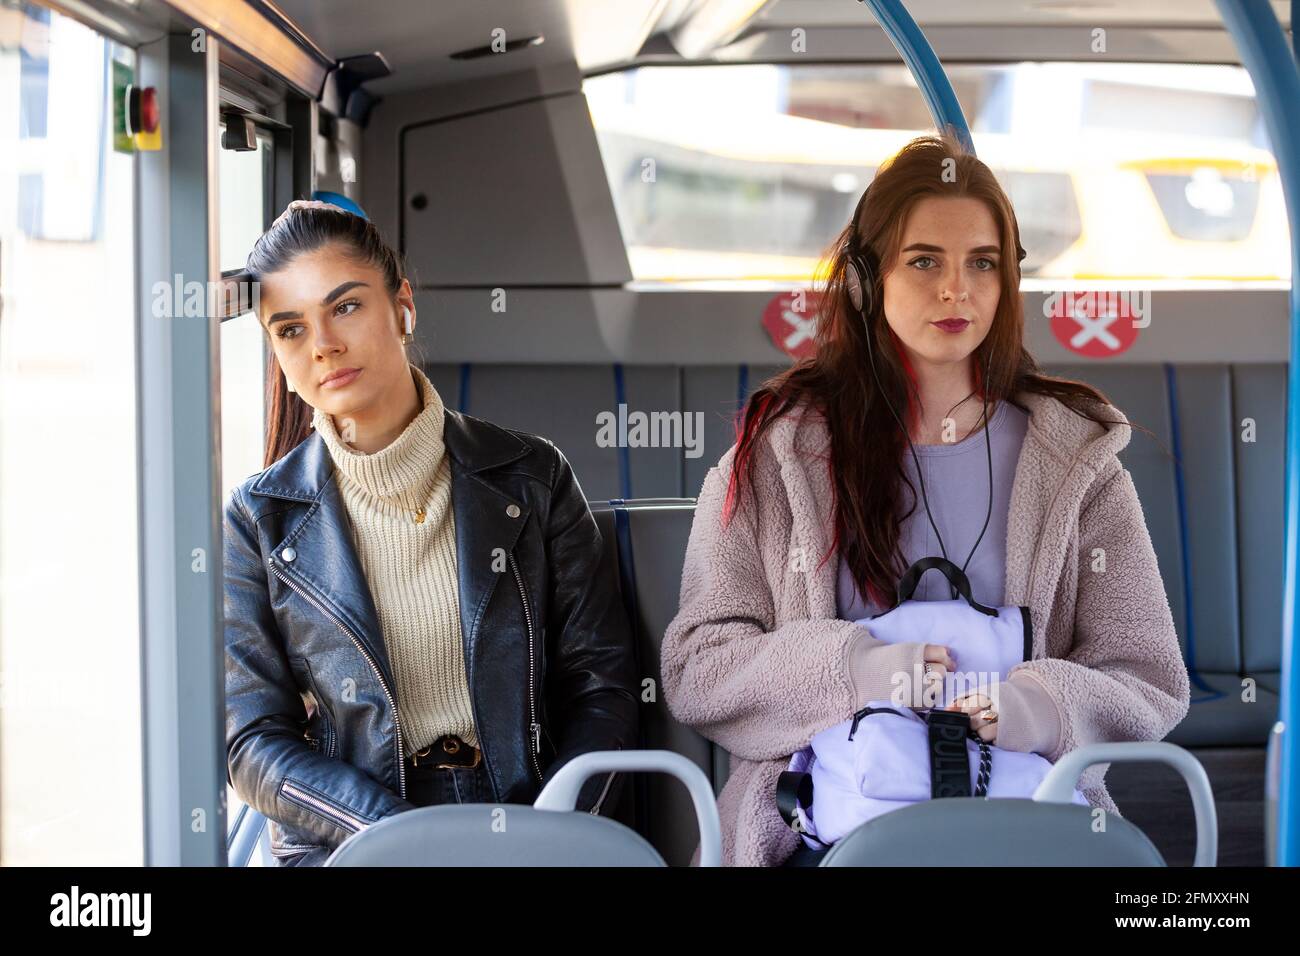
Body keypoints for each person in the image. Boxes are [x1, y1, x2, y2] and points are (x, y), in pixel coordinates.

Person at [660, 132, 1191, 867]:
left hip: (1027, 824)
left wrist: (1041, 707)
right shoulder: (776, 459)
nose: (957, 289)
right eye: (924, 262)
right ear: (866, 279)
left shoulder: (1076, 464)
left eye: (983, 263)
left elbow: (1147, 674)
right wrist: (852, 671)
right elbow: (699, 670)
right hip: (829, 831)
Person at [224, 199, 638, 866]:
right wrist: (401, 839)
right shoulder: (257, 518)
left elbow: (603, 689)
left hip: (529, 822)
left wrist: (555, 832)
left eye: (347, 307)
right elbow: (252, 743)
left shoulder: (534, 478)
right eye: (290, 329)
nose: (323, 343)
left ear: (402, 307)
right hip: (352, 836)